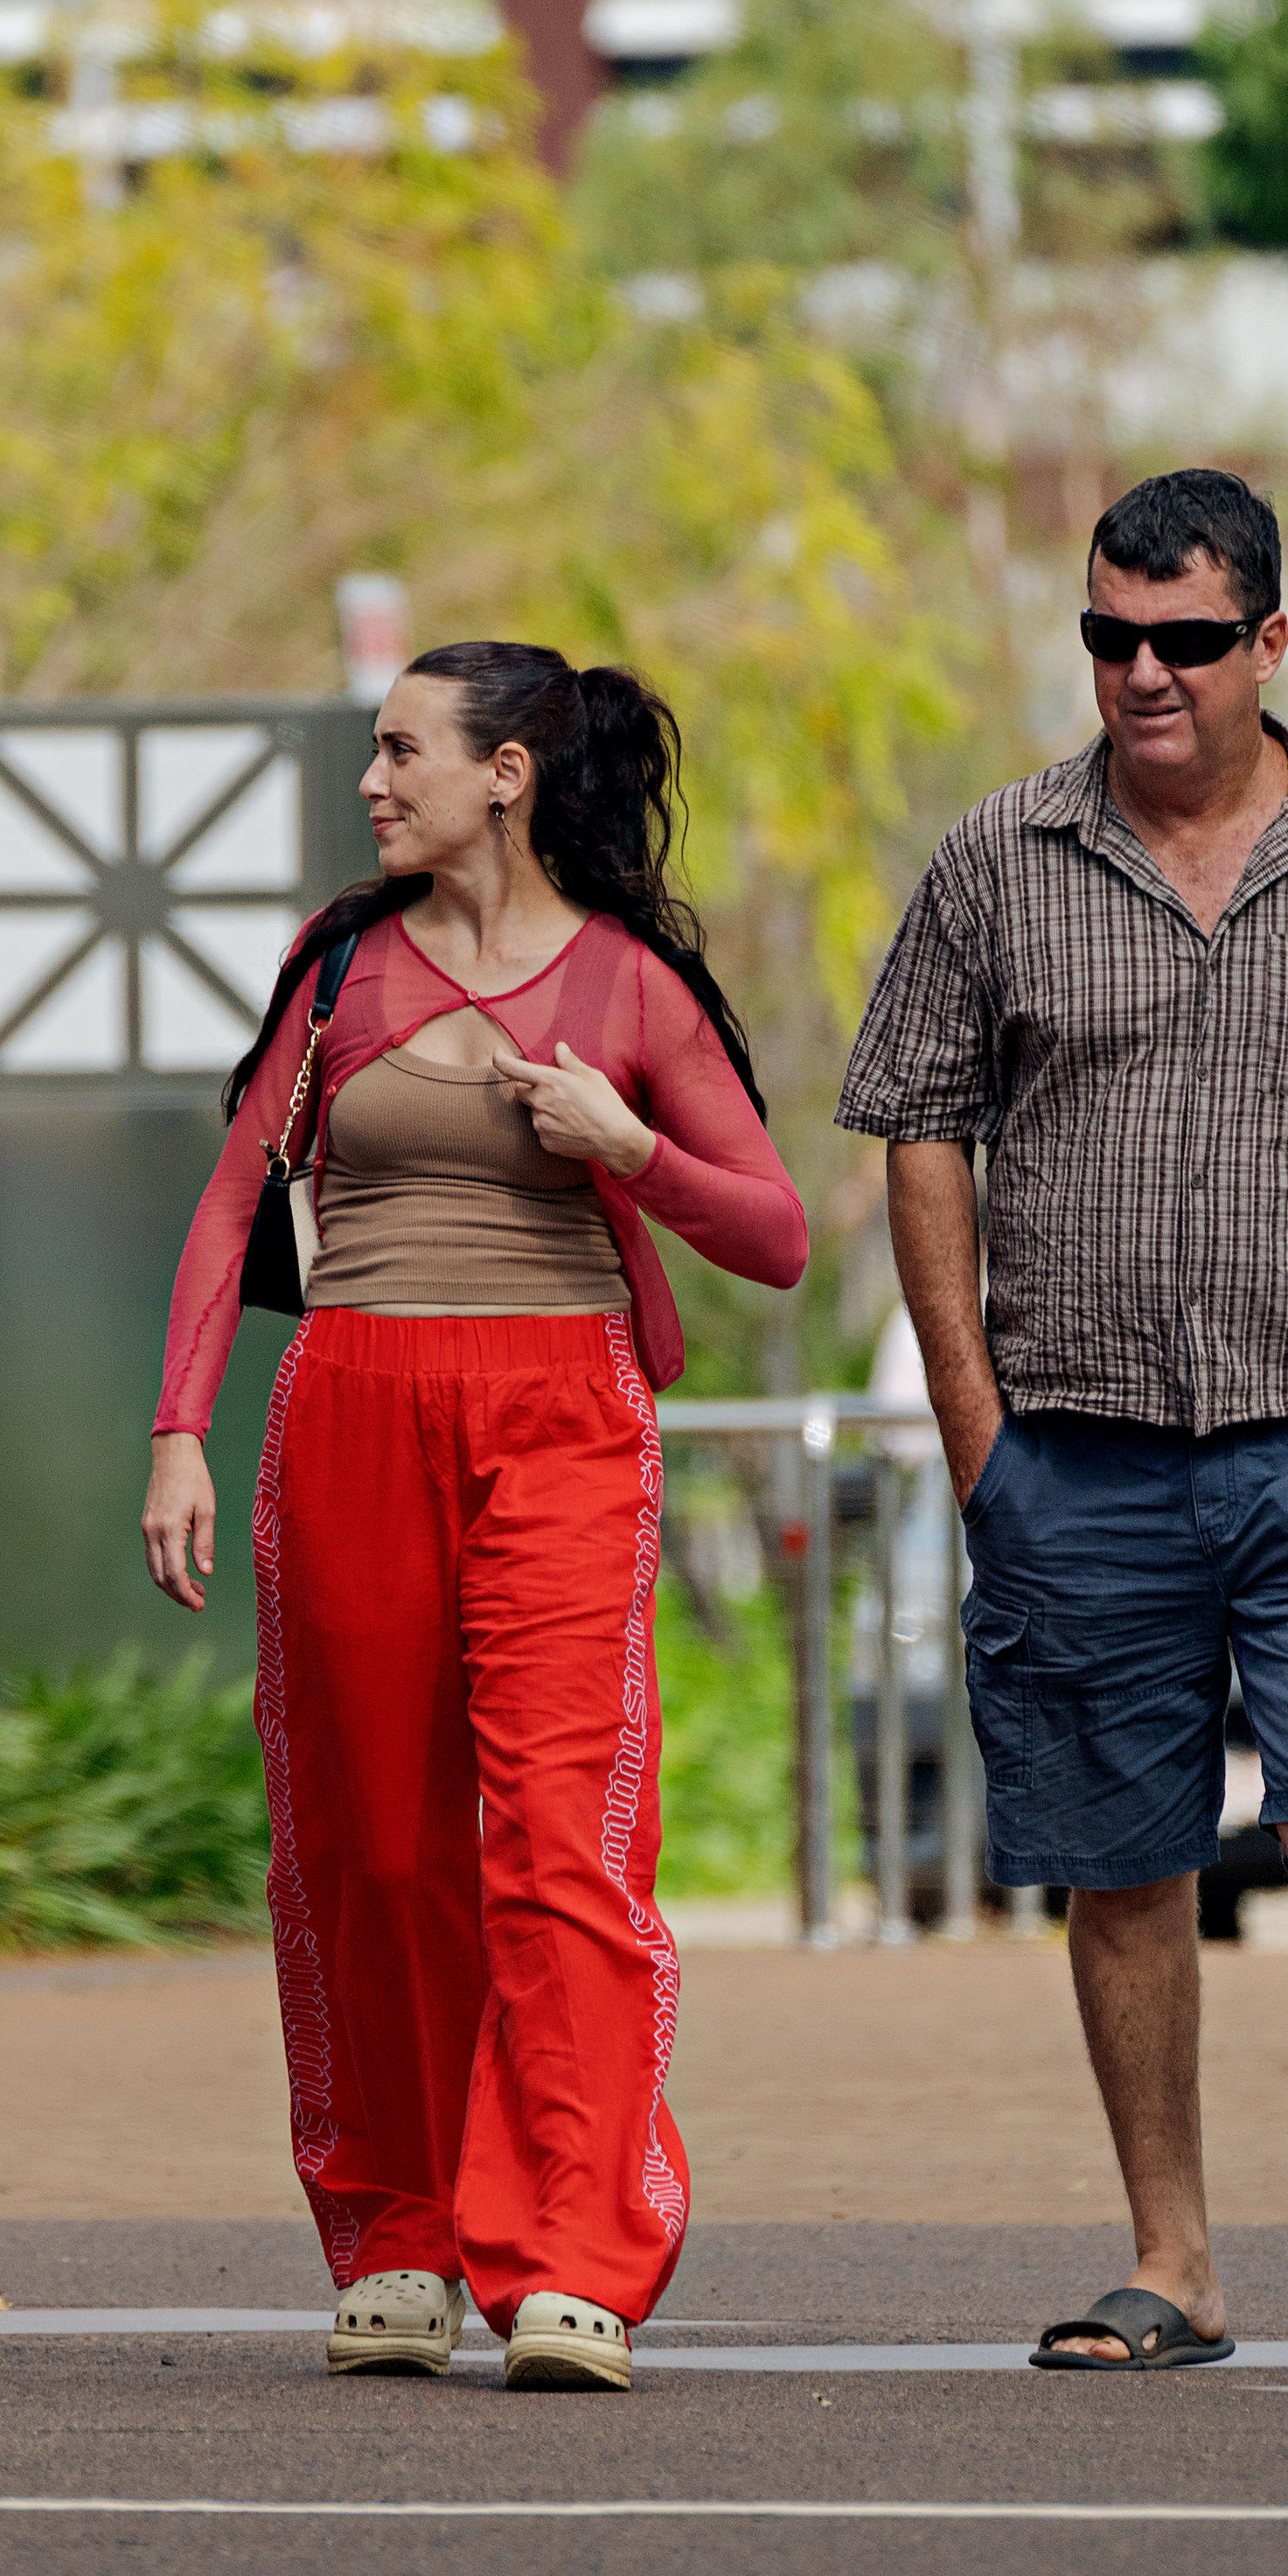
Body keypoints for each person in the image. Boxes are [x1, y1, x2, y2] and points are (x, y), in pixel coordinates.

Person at [835, 466, 1288, 2384]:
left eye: (1179, 640)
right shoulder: (995, 858)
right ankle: (1172, 2261)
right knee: (1124, 1856)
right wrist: (975, 1424)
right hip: (1072, 1439)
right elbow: (918, 1129)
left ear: (1266, 641)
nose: (1138, 673)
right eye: (1106, 638)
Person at [144, 643, 807, 2393]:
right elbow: (227, 1215)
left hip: (560, 1419)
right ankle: (402, 2229)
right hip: (353, 1406)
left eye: (400, 751)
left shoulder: (630, 987)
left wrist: (624, 1142)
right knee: (371, 1842)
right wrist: (176, 1435)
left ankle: (574, 2253)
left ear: (506, 771)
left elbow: (774, 1231)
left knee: (554, 1838)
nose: (373, 781)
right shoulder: (342, 965)